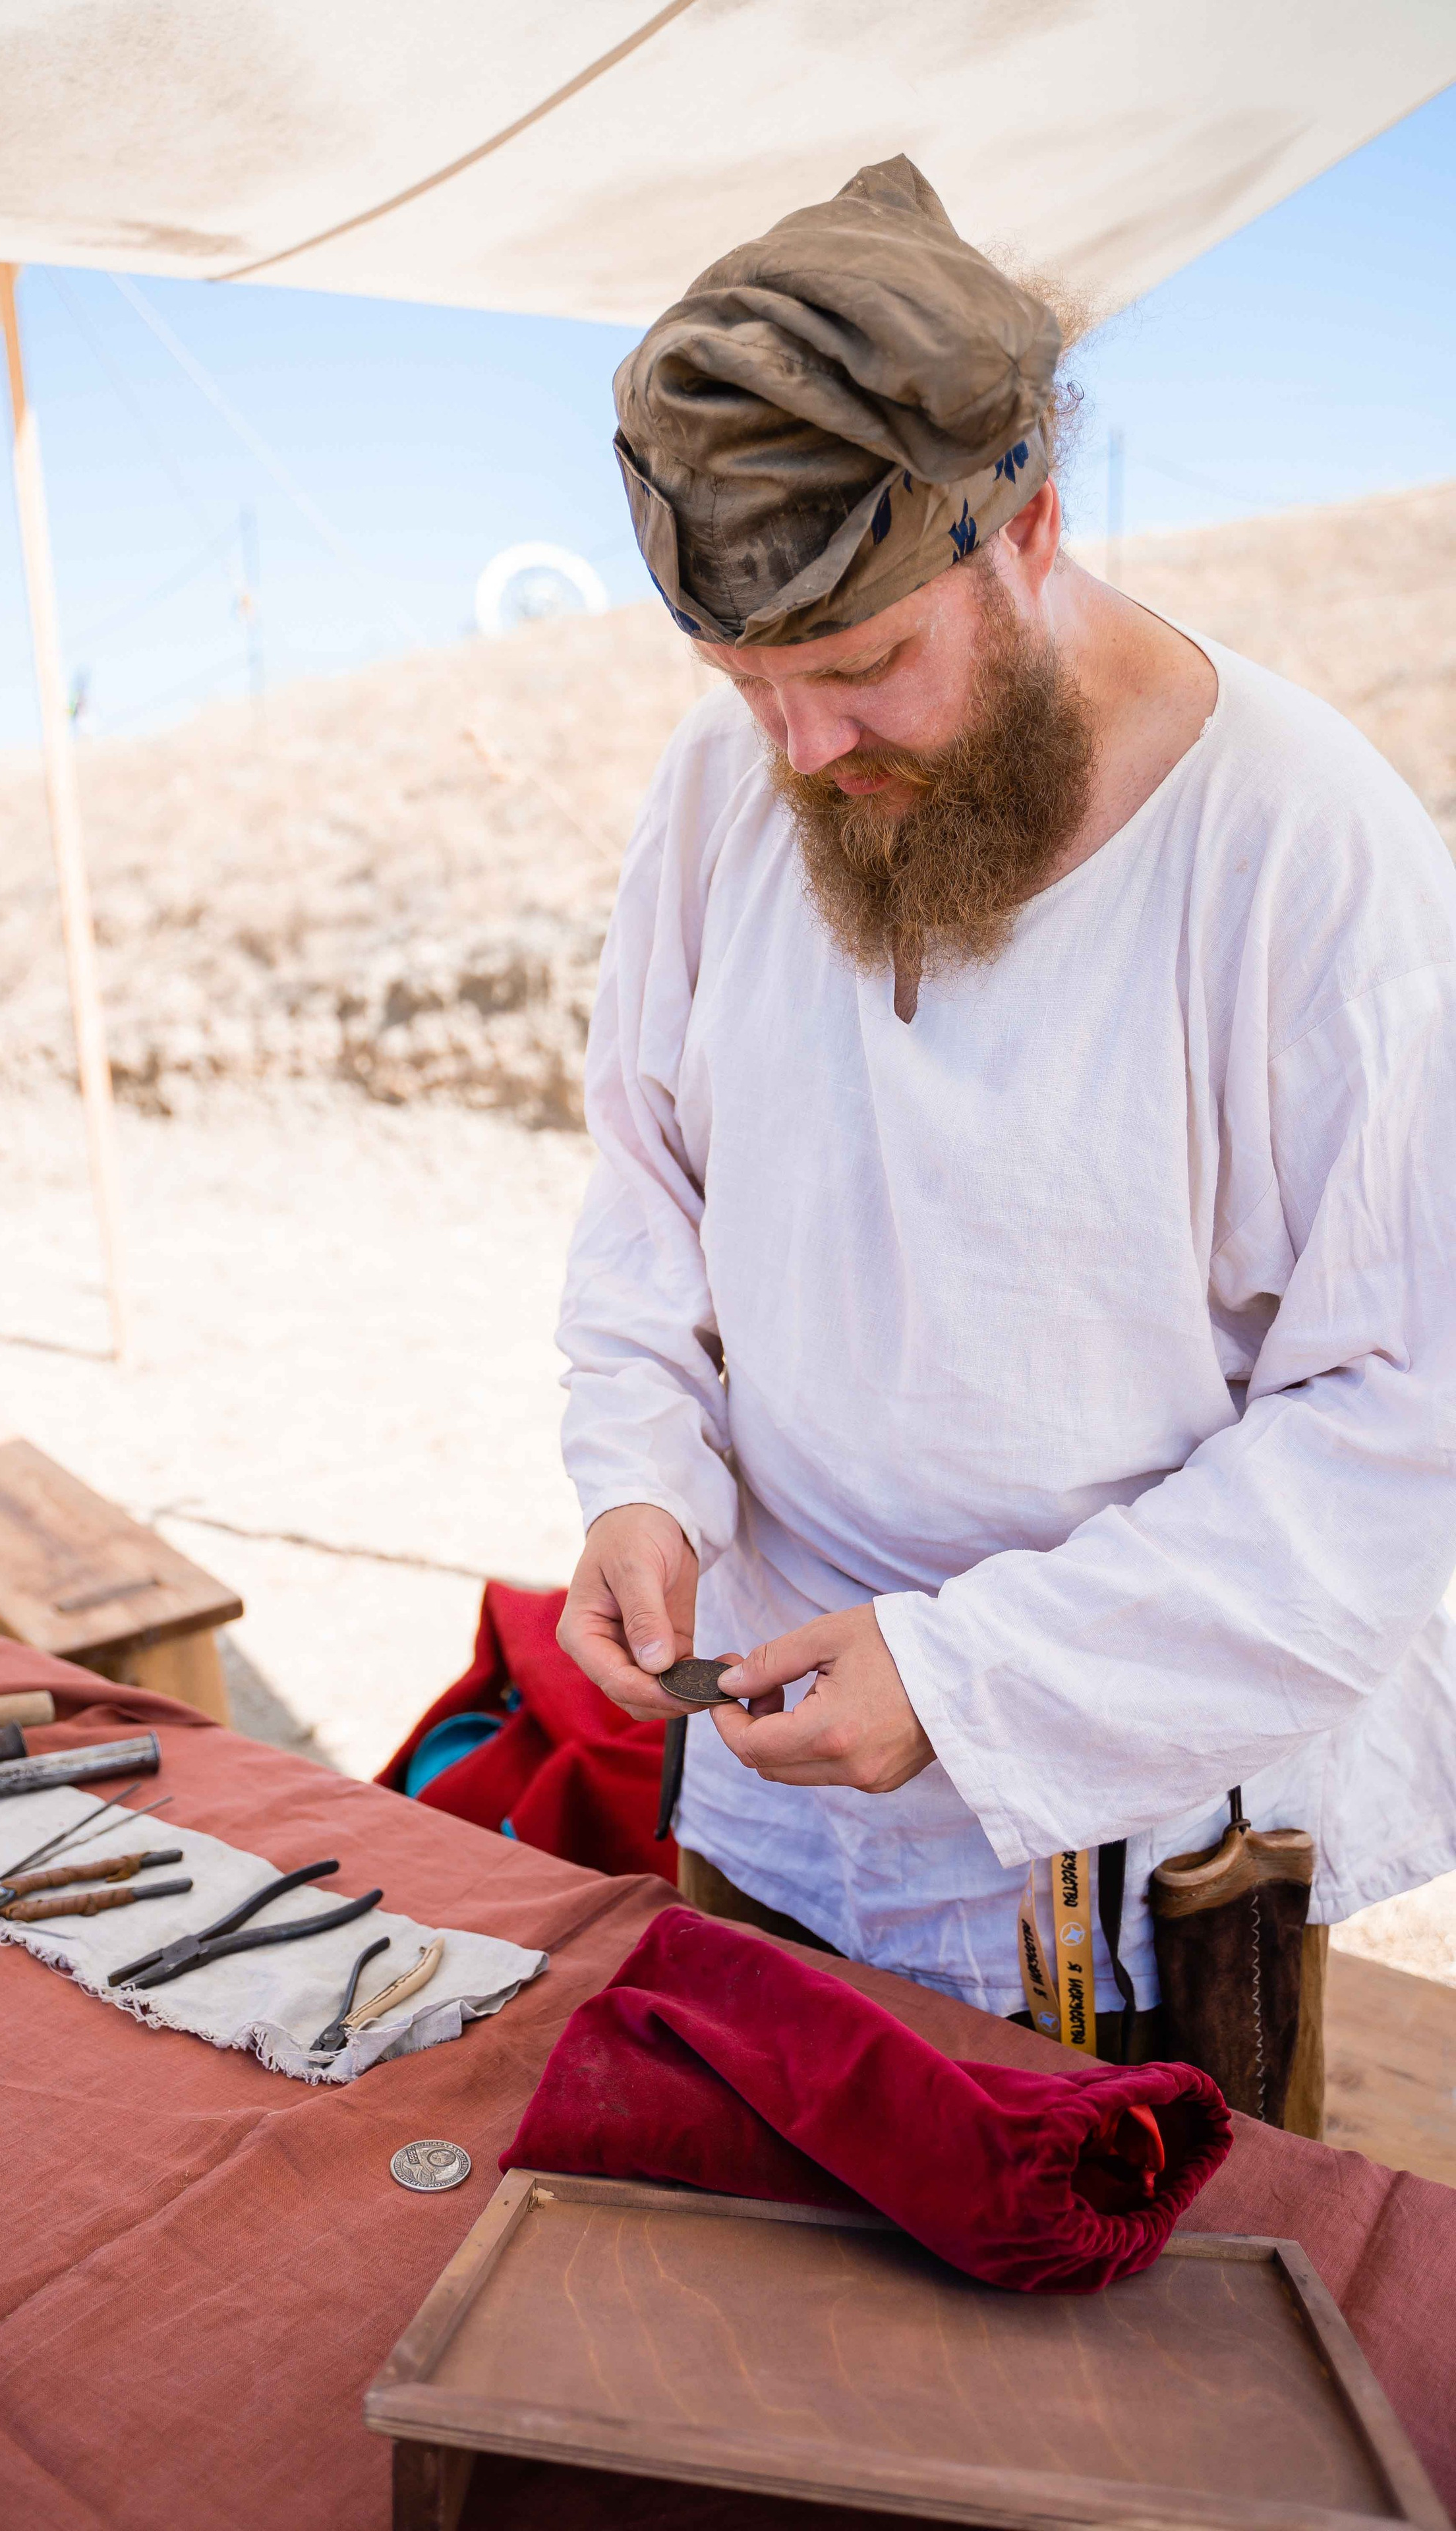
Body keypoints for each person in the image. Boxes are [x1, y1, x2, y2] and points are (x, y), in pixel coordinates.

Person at [554, 157, 1456, 2136]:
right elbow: (649, 1181)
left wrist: (972, 1681)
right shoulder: (731, 782)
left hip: (1135, 1846)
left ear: (1029, 524)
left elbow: (1399, 1432)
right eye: (744, 680)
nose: (800, 750)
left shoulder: (1306, 854)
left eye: (862, 664)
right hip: (779, 1787)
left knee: (1125, 2396)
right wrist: (642, 1483)